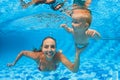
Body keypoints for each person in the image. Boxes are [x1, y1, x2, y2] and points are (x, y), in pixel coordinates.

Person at [7, 36, 86, 72]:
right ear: (42, 48)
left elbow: (74, 70)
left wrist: (77, 55)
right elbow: (22, 52)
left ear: (55, 48)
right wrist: (13, 63)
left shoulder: (59, 56)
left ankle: (59, 51)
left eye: (52, 47)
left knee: (58, 56)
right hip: (41, 67)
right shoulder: (37, 56)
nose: (49, 50)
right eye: (46, 47)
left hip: (55, 65)